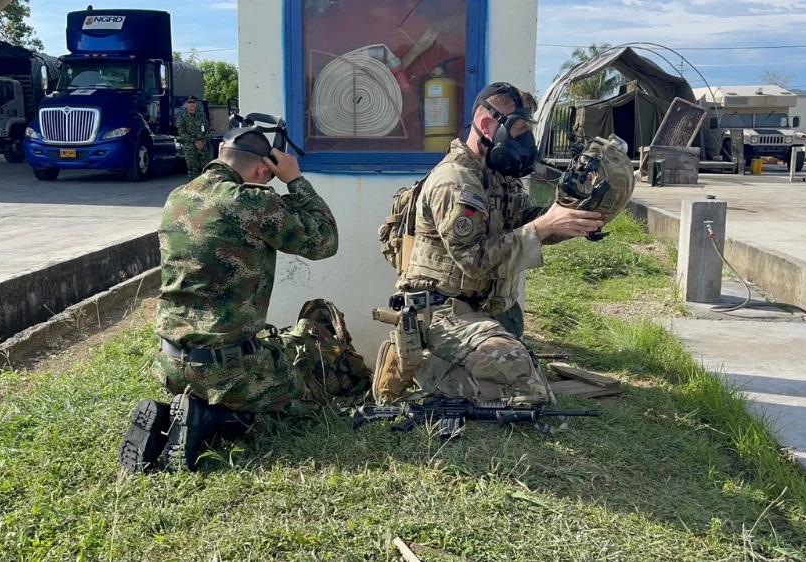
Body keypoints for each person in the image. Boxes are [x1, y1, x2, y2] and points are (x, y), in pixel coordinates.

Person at [118, 128, 371, 474]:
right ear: (263, 170)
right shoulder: (250, 201)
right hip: (228, 367)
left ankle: (175, 412)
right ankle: (214, 419)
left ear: (222, 153)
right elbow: (325, 241)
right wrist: (295, 179)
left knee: (251, 366)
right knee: (306, 405)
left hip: (170, 363)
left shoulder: (177, 197)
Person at [372, 81, 605, 407]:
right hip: (441, 309)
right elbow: (475, 259)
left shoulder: (498, 177)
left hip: (487, 306)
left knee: (517, 367)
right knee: (528, 388)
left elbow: (525, 221)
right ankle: (419, 367)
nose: (525, 140)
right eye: (519, 129)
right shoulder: (454, 182)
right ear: (486, 124)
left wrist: (572, 219)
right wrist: (545, 225)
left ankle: (470, 359)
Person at [176, 95, 212, 178]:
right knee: (192, 171)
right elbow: (182, 133)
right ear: (186, 104)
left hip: (203, 148)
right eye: (189, 102)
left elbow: (208, 131)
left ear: (196, 103)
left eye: (193, 102)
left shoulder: (202, 116)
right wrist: (194, 141)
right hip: (190, 148)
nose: (191, 104)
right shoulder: (182, 118)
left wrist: (203, 142)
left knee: (205, 170)